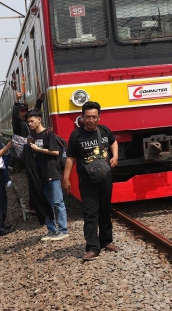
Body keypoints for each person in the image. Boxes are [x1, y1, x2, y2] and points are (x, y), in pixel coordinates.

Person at [62, 101, 119, 261]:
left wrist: (115, 156)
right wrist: (65, 178)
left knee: (105, 209)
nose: (91, 120)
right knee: (90, 213)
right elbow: (70, 158)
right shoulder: (76, 135)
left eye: (94, 117)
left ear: (99, 117)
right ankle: (93, 247)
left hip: (105, 177)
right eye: (88, 117)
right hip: (87, 181)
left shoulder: (105, 130)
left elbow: (114, 142)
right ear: (82, 117)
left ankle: (106, 241)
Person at [26, 110, 69, 241]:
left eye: (32, 121)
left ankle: (63, 230)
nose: (30, 123)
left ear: (39, 119)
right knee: (46, 203)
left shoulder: (49, 134)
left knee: (58, 202)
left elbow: (55, 152)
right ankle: (51, 230)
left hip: (52, 172)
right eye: (28, 121)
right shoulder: (33, 135)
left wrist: (38, 149)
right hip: (41, 173)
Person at [12, 91, 44, 214]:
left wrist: (39, 101)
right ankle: (33, 207)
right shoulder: (18, 124)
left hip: (33, 152)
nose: (24, 113)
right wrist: (16, 101)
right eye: (22, 111)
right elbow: (15, 116)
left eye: (25, 111)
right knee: (32, 179)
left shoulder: (29, 122)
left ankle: (36, 205)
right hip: (27, 154)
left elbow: (34, 114)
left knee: (36, 179)